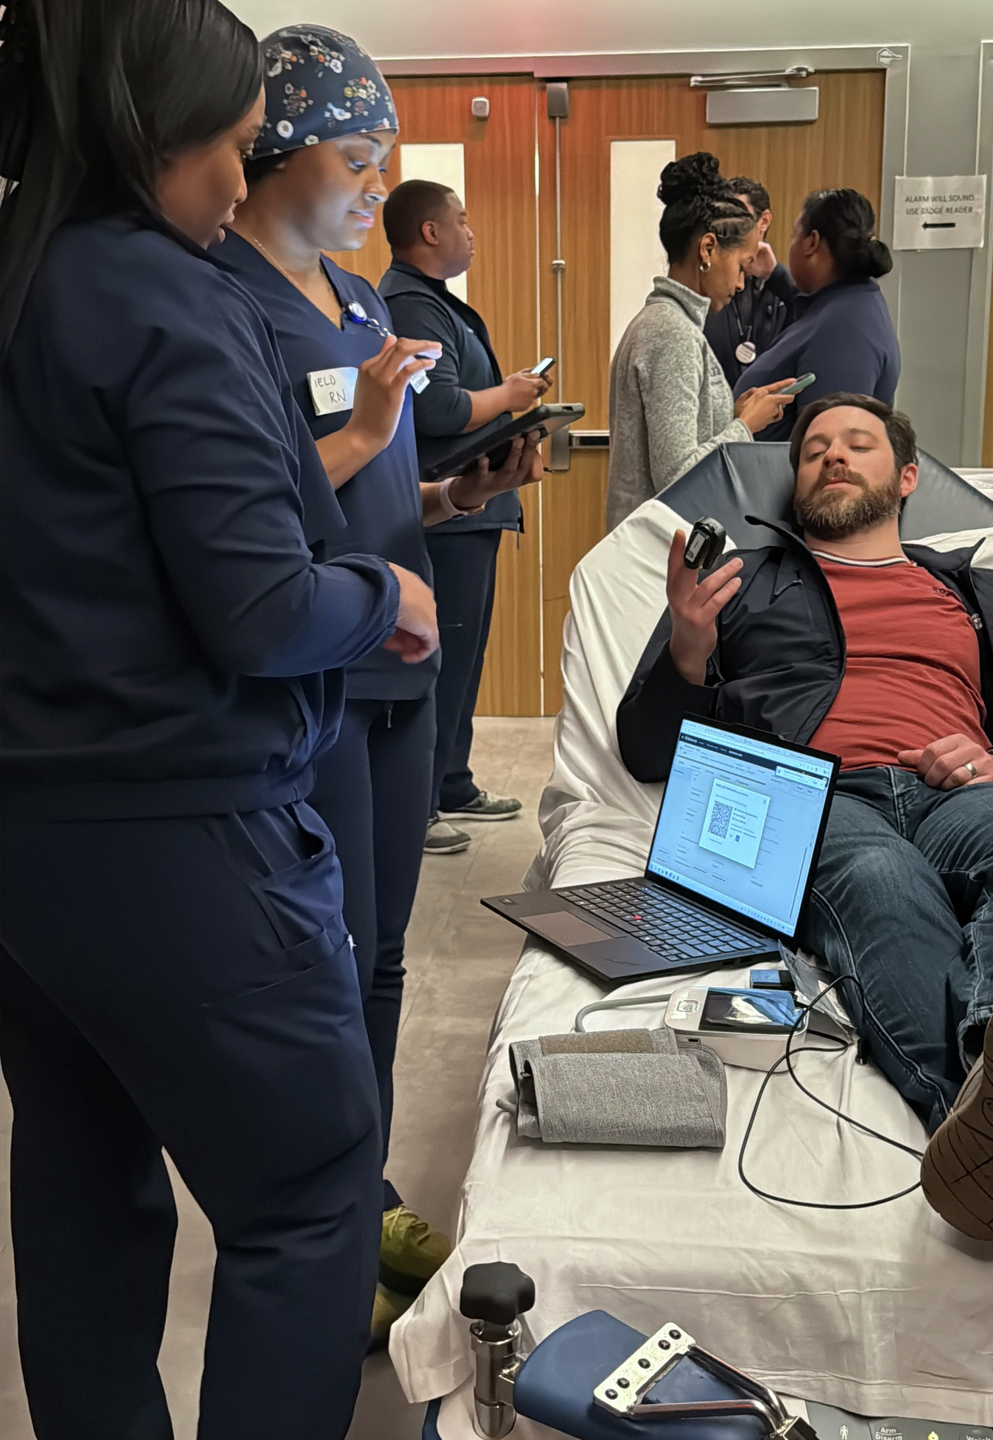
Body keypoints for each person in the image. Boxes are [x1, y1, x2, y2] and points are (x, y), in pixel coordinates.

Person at [0, 1, 439, 1435]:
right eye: (241, 150)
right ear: (160, 136)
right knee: (309, 1198)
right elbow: (258, 609)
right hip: (183, 833)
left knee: (86, 1196)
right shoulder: (165, 296)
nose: (240, 181)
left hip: (33, 844)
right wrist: (380, 596)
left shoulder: (27, 275)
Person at [218, 26, 542, 1341]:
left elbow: (381, 491)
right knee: (330, 964)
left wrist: (460, 488)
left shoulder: (357, 302)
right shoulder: (217, 308)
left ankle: (368, 1185)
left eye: (386, 160)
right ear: (268, 154)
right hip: (314, 689)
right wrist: (354, 436)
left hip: (399, 681)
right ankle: (327, 1220)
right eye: (357, 158)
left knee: (390, 954)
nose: (375, 185)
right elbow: (243, 527)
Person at [617, 392, 993, 1244]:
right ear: (796, 487)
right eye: (811, 448)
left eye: (856, 444)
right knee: (883, 884)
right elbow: (646, 752)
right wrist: (687, 649)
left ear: (905, 478)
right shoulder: (736, 584)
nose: (829, 455)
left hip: (962, 795)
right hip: (815, 796)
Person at [380, 181, 548, 854]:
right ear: (429, 232)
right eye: (462, 220)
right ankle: (418, 803)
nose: (471, 231)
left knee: (465, 656)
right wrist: (508, 394)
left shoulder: (434, 303)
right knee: (439, 659)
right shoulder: (406, 303)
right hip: (442, 507)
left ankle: (450, 780)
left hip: (470, 508)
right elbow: (439, 410)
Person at [605, 153, 794, 533]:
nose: (741, 283)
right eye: (741, 266)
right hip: (658, 557)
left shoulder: (668, 324)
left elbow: (680, 446)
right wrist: (744, 426)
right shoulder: (671, 332)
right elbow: (677, 477)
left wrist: (733, 414)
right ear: (708, 249)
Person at [734, 188, 901, 441]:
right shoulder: (842, 304)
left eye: (794, 235)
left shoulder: (845, 329)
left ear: (811, 242)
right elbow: (809, 313)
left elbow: (826, 446)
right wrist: (775, 275)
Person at [704, 175, 797, 387]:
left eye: (739, 216)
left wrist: (777, 276)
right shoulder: (709, 285)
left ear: (763, 221)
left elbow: (814, 314)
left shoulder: (784, 286)